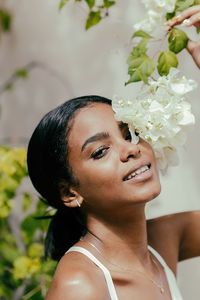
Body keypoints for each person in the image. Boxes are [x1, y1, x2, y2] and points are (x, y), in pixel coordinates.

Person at [27, 95, 200, 300]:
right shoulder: (78, 287)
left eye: (130, 134)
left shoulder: (163, 241)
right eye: (101, 151)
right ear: (69, 193)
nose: (131, 148)